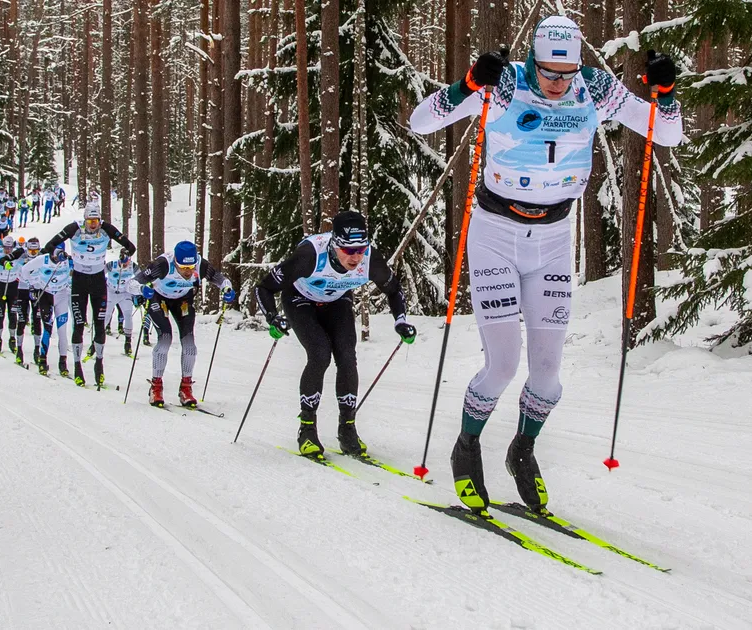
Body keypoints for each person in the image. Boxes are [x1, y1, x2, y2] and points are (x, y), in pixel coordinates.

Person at [408, 16, 682, 513]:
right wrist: (469, 83)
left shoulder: (594, 88)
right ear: (533, 61)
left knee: (549, 376)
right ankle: (467, 445)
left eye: (566, 73)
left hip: (554, 239)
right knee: (503, 365)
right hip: (496, 234)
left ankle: (523, 448)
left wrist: (665, 93)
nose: (558, 84)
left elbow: (666, 134)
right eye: (549, 73)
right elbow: (421, 120)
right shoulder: (505, 83)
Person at [254, 211, 415, 457]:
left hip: (337, 300)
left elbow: (394, 290)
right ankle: (307, 428)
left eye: (361, 249)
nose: (356, 257)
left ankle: (347, 429)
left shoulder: (369, 260)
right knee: (319, 354)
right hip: (299, 299)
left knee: (347, 356)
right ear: (334, 243)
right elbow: (264, 288)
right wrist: (272, 318)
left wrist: (400, 321)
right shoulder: (309, 256)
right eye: (348, 250)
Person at [42, 203, 138, 387]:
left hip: (98, 281)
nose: (93, 225)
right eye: (90, 221)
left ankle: (99, 365)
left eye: (96, 221)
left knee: (99, 324)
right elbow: (49, 246)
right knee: (78, 324)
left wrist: (125, 254)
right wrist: (58, 253)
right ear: (84, 219)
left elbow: (131, 247)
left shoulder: (106, 228)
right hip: (79, 281)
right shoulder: (74, 228)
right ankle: (77, 366)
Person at [135, 241, 232, 407]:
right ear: (175, 262)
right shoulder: (163, 264)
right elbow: (134, 282)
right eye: (183, 267)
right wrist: (141, 290)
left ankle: (186, 388)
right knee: (165, 339)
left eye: (191, 267)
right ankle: (156, 387)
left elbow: (220, 279)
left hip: (183, 300)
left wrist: (227, 289)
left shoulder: (200, 264)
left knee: (190, 345)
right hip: (159, 298)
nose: (188, 271)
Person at [24, 244, 74, 377]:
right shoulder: (43, 259)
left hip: (61, 296)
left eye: (59, 254)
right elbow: (25, 270)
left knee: (62, 331)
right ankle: (42, 360)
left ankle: (63, 363)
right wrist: (33, 285)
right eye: (54, 255)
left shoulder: (68, 260)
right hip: (46, 295)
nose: (56, 258)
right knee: (47, 328)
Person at [102, 250, 144, 357]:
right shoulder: (112, 265)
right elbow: (100, 274)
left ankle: (128, 343)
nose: (125, 265)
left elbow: (141, 278)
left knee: (128, 315)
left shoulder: (133, 266)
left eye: (127, 262)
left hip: (125, 293)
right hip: (111, 292)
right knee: (106, 316)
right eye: (123, 263)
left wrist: (139, 292)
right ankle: (96, 341)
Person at [12, 237, 43, 366]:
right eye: (31, 250)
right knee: (22, 319)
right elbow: (9, 260)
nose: (33, 253)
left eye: (36, 251)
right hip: (22, 290)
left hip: (37, 289)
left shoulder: (42, 257)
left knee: (37, 319)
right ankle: (19, 350)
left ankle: (37, 350)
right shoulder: (21, 255)